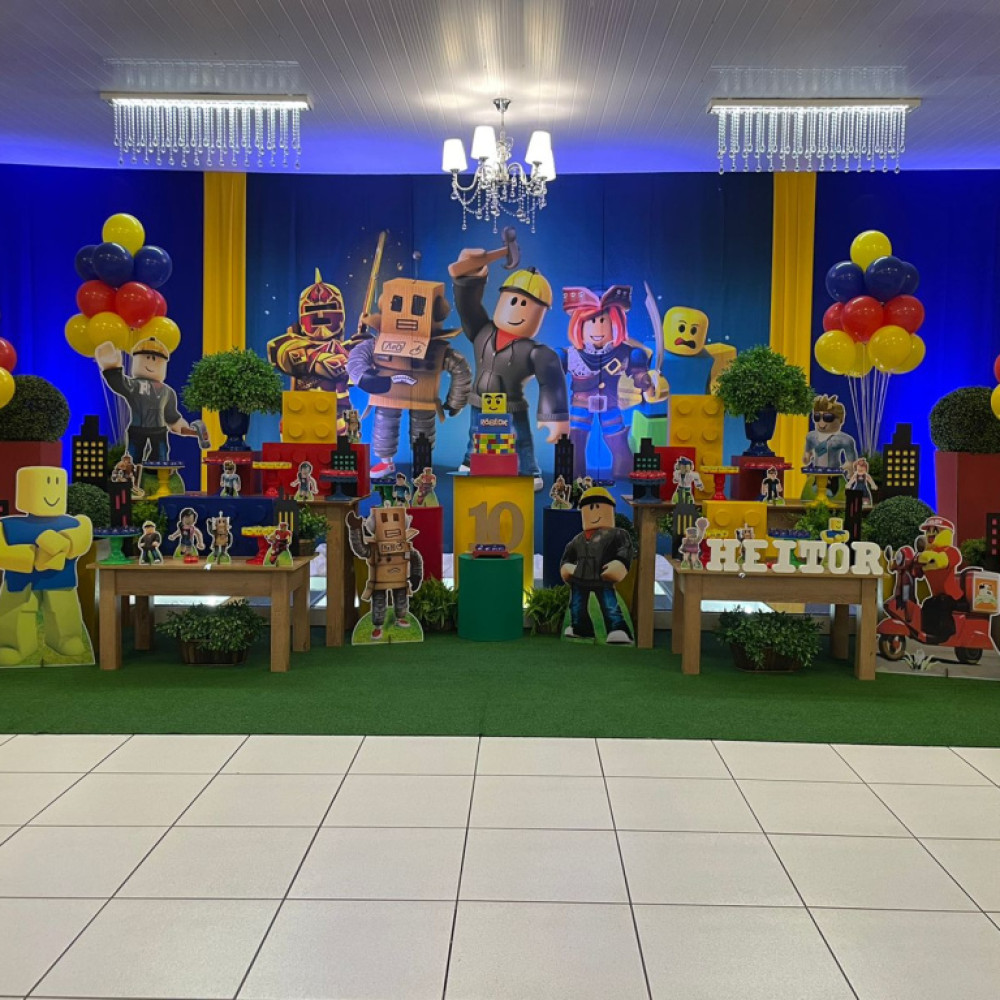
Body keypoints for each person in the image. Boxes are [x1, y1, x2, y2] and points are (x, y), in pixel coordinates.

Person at [449, 250, 569, 489]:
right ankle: (471, 461)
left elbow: (551, 378)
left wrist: (555, 416)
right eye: (514, 301)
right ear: (502, 300)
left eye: (526, 305)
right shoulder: (482, 331)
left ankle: (529, 470)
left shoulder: (533, 350)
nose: (517, 309)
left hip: (512, 404)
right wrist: (469, 276)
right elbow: (467, 306)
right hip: (480, 399)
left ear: (540, 314)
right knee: (476, 432)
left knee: (520, 438)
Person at [347, 278, 471, 479]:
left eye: (418, 306)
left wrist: (456, 400)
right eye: (397, 304)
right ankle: (386, 462)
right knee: (384, 422)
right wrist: (365, 378)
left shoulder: (438, 349)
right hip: (386, 393)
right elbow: (357, 358)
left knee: (422, 430)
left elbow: (460, 369)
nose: (406, 314)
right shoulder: (377, 343)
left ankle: (422, 466)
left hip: (423, 398)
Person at [0, 467, 94, 665]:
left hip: (60, 579)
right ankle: (14, 645)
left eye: (57, 484)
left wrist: (65, 543)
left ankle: (67, 639)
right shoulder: (8, 525)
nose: (50, 492)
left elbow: (84, 535)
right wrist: (33, 557)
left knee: (63, 610)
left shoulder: (72, 523)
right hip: (20, 581)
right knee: (18, 612)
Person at [561, 286, 651, 478]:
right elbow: (552, 371)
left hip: (610, 403)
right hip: (581, 404)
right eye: (592, 321)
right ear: (579, 325)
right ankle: (575, 473)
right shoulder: (572, 355)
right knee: (576, 437)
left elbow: (638, 373)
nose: (598, 328)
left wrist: (642, 378)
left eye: (603, 321)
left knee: (616, 438)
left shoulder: (625, 353)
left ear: (616, 324)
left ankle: (623, 469)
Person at [267, 268, 352, 431]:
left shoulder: (344, 348)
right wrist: (316, 360)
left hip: (339, 414)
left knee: (344, 439)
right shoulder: (293, 342)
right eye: (312, 310)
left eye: (329, 306)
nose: (320, 314)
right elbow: (281, 352)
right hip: (303, 413)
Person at [96, 337, 204, 463]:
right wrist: (112, 368)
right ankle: (132, 473)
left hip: (159, 431)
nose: (151, 363)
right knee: (132, 459)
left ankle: (157, 473)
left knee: (161, 458)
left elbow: (172, 417)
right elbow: (120, 384)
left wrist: (187, 430)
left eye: (155, 359)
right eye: (147, 358)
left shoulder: (168, 392)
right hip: (137, 429)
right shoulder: (135, 385)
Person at [559, 486, 633, 644]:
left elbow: (624, 550)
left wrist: (620, 563)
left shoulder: (617, 534)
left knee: (609, 605)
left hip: (602, 577)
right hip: (580, 578)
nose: (593, 513)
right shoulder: (578, 539)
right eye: (589, 508)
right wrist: (567, 567)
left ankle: (617, 629)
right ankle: (580, 628)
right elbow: (568, 557)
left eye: (598, 507)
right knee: (576, 605)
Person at [347, 507, 424, 641]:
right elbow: (361, 550)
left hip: (400, 580)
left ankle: (400, 617)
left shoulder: (404, 548)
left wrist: (416, 575)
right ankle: (378, 626)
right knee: (379, 601)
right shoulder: (374, 548)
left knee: (401, 598)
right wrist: (355, 529)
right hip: (379, 582)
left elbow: (414, 558)